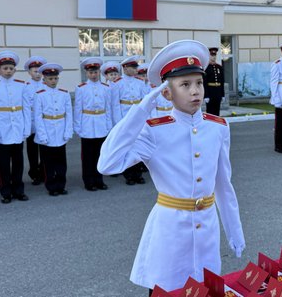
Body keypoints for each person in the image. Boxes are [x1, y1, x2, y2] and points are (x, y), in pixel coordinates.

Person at [98, 40, 245, 294]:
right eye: (184, 85)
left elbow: (223, 184)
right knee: (166, 290)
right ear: (167, 93)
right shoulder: (154, 131)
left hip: (207, 229)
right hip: (170, 232)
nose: (195, 91)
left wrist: (234, 231)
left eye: (198, 82)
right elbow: (107, 164)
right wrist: (141, 111)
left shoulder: (218, 127)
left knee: (205, 288)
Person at [0, 51, 30, 204]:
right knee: (4, 164)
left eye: (11, 68)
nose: (8, 71)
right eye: (5, 68)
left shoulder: (21, 85)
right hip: (2, 129)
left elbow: (26, 108)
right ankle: (6, 191)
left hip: (17, 128)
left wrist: (26, 129)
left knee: (18, 162)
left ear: (15, 70)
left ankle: (19, 190)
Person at [33, 64, 73, 196]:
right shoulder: (39, 95)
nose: (53, 81)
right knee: (48, 163)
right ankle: (51, 186)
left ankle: (61, 185)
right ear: (44, 79)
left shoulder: (64, 93)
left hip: (60, 131)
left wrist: (68, 131)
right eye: (50, 79)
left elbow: (69, 114)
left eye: (55, 78)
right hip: (47, 131)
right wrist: (42, 135)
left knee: (61, 162)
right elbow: (38, 117)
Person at [74, 57, 112, 191]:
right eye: (91, 72)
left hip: (101, 122)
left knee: (100, 154)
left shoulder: (106, 88)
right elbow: (78, 108)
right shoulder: (81, 88)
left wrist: (109, 125)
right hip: (87, 124)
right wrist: (78, 126)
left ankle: (99, 179)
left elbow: (108, 108)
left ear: (99, 72)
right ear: (86, 73)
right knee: (88, 156)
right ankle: (89, 181)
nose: (93, 75)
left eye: (95, 72)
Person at [115, 56, 148, 185]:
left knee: (138, 145)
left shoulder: (140, 82)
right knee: (127, 146)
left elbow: (144, 101)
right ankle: (128, 174)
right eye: (133, 68)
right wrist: (118, 121)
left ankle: (138, 173)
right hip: (125, 117)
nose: (136, 70)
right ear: (125, 68)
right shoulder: (118, 83)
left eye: (136, 68)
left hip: (137, 117)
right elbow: (115, 104)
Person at [23, 56, 48, 185]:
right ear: (29, 72)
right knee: (32, 150)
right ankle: (34, 173)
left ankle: (44, 171)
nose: (37, 74)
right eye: (34, 71)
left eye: (40, 71)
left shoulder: (46, 85)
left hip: (44, 122)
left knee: (44, 149)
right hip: (32, 121)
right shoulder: (25, 86)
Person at [203, 47, 224, 116]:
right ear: (208, 56)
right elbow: (205, 83)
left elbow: (222, 81)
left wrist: (222, 94)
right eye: (212, 55)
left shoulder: (219, 67)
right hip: (210, 92)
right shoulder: (206, 68)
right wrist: (206, 95)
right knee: (210, 111)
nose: (213, 57)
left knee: (217, 110)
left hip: (218, 92)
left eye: (214, 55)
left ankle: (217, 125)